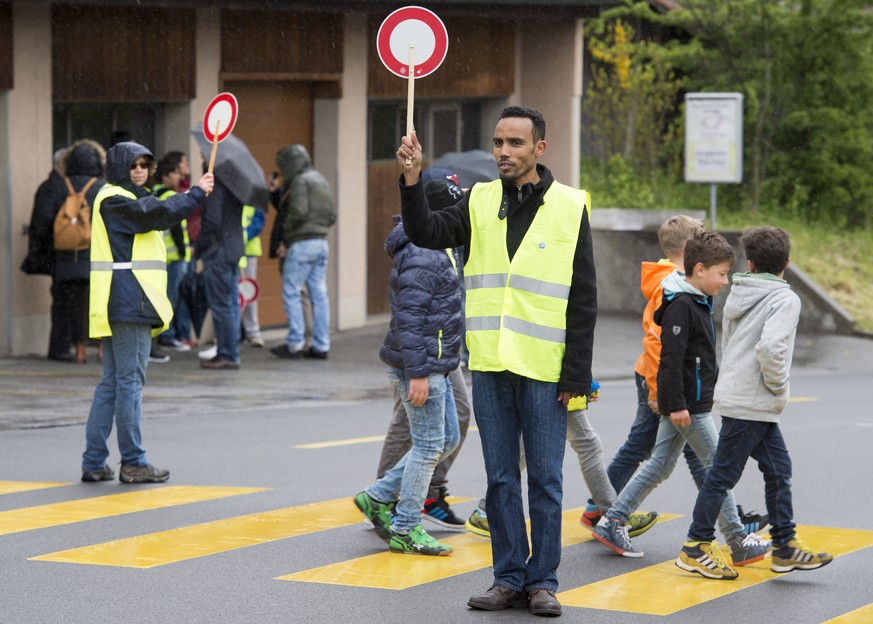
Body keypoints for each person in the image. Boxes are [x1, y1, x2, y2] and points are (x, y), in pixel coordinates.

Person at [397, 105, 596, 617]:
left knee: (546, 480)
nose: (504, 152)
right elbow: (423, 231)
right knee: (501, 477)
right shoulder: (479, 200)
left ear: (539, 149)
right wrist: (412, 178)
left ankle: (543, 581)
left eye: (515, 144)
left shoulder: (571, 206)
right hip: (489, 363)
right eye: (499, 142)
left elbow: (584, 297)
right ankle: (508, 578)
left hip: (545, 367)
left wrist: (576, 374)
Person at [592, 232, 770, 567]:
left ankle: (613, 520)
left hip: (690, 402)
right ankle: (736, 539)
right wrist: (676, 404)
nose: (726, 280)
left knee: (660, 465)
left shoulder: (696, 299)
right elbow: (670, 361)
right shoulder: (682, 306)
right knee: (719, 467)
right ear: (700, 269)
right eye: (721, 273)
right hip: (688, 405)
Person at [677, 226, 833, 580]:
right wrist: (778, 388)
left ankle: (784, 548)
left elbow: (731, 344)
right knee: (722, 476)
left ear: (749, 263)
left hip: (740, 397)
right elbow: (770, 350)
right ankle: (695, 546)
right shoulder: (784, 299)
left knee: (778, 469)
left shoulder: (739, 292)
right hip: (753, 401)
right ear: (787, 263)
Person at [80, 141, 213, 484]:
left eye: (144, 164)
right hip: (130, 302)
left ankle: (95, 461)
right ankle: (134, 462)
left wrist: (191, 194)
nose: (139, 170)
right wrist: (196, 193)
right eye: (132, 164)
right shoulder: (114, 198)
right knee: (128, 384)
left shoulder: (117, 197)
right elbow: (154, 214)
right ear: (118, 168)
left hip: (121, 301)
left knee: (112, 383)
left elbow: (154, 209)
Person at [353, 168, 463, 556]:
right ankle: (406, 526)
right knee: (430, 445)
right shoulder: (422, 250)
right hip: (422, 365)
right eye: (455, 202)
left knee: (446, 438)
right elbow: (410, 317)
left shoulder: (441, 243)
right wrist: (418, 373)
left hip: (436, 362)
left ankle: (378, 495)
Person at [465, 384, 660, 542]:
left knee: (526, 449)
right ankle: (611, 515)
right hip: (557, 382)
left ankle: (486, 510)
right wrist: (583, 381)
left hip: (555, 380)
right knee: (587, 445)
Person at [269, 145, 336, 360]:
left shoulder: (299, 181)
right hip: (321, 242)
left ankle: (295, 343)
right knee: (319, 294)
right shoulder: (319, 179)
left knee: (292, 291)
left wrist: (286, 240)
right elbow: (332, 215)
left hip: (301, 244)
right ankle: (321, 344)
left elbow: (297, 212)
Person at [21, 147, 75, 361]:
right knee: (63, 302)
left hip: (57, 253)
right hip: (57, 253)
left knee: (64, 301)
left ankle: (62, 346)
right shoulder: (54, 187)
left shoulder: (57, 186)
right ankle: (60, 348)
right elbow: (43, 223)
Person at [196, 175, 245, 370]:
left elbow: (212, 220)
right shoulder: (237, 183)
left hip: (219, 250)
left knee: (222, 305)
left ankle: (227, 354)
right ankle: (230, 352)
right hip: (232, 248)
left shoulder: (217, 185)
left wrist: (200, 247)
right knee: (230, 303)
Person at [153, 155, 192, 352]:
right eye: (175, 173)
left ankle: (166, 334)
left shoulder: (153, 194)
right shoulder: (169, 196)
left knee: (165, 297)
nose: (179, 176)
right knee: (171, 298)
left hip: (161, 256)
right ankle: (167, 335)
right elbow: (176, 227)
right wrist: (184, 251)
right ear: (165, 175)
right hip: (174, 256)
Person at [240, 204, 266, 347]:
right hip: (233, 249)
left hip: (248, 251)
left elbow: (258, 223)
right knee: (232, 293)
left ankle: (253, 332)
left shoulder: (256, 199)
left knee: (248, 292)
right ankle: (232, 331)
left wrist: (241, 238)